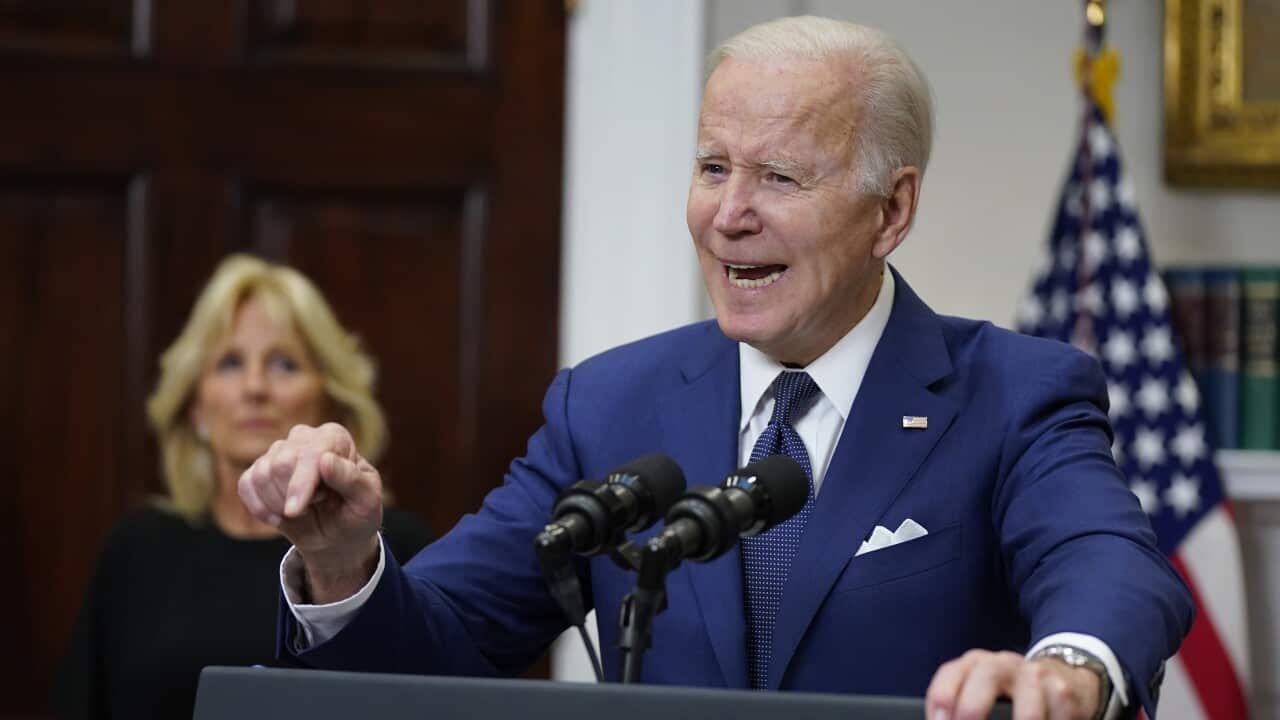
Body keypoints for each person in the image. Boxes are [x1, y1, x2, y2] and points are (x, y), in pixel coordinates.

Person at [241, 17, 1193, 720]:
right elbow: (439, 643)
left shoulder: (1012, 394)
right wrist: (341, 562)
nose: (729, 215)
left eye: (779, 177)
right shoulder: (609, 405)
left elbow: (1109, 564)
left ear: (891, 211)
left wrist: (1067, 669)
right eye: (712, 168)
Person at [54, 254, 432, 719]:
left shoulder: (385, 549)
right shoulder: (136, 549)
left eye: (284, 364)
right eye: (230, 363)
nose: (255, 387)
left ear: (329, 401)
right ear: (196, 406)